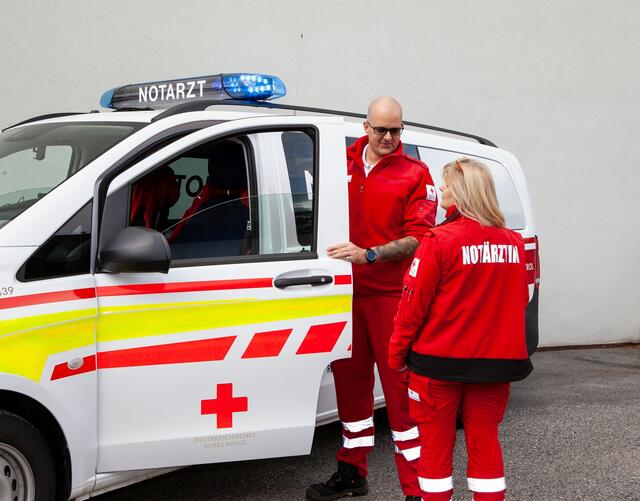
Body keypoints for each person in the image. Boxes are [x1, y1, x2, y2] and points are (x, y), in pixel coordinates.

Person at [306, 97, 437, 501]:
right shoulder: (335, 162)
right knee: (350, 386)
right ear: (365, 126)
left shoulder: (415, 173)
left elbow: (420, 239)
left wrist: (370, 254)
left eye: (396, 130)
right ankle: (351, 471)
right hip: (343, 295)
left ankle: (416, 489)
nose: (388, 137)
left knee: (401, 394)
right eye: (380, 129)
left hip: (391, 298)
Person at [388, 158, 533, 501]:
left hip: (438, 365)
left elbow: (411, 307)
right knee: (486, 449)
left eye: (448, 184)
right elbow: (518, 303)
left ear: (463, 193)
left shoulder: (439, 241)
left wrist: (396, 355)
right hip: (496, 366)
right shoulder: (513, 243)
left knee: (435, 453)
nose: (441, 189)